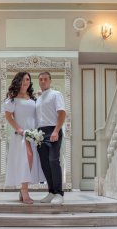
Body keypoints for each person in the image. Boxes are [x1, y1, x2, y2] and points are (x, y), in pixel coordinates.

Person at [2, 71, 45, 204]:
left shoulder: (32, 97)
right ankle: (25, 191)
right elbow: (8, 116)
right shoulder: (12, 98)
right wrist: (19, 129)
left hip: (33, 134)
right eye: (23, 80)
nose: (25, 82)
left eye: (27, 79)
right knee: (26, 160)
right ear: (18, 81)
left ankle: (23, 189)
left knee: (31, 161)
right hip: (21, 135)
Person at [36, 72, 66, 204]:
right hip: (40, 133)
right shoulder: (39, 98)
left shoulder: (56, 94)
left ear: (50, 81)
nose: (43, 81)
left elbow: (62, 113)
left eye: (45, 79)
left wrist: (56, 131)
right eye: (41, 79)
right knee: (45, 164)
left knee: (53, 161)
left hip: (53, 130)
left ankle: (59, 194)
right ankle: (51, 192)